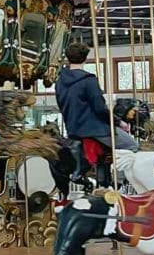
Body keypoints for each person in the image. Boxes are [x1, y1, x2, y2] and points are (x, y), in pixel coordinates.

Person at [55, 43, 138, 184]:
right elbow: (100, 108)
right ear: (85, 59)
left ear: (68, 59)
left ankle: (103, 177)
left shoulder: (60, 81)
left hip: (74, 129)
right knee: (132, 146)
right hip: (95, 129)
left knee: (107, 153)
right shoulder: (88, 80)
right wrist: (119, 122)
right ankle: (120, 183)